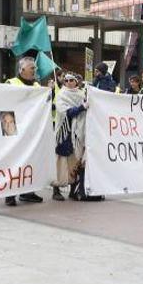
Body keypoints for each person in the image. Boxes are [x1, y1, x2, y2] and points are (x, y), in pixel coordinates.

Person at [3, 57, 45, 207]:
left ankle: (28, 192)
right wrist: (9, 131)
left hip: (30, 130)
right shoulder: (11, 83)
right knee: (13, 161)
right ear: (22, 70)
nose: (35, 70)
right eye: (32, 68)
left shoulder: (37, 86)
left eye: (35, 68)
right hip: (13, 128)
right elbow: (4, 106)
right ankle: (9, 194)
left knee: (30, 160)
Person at [52, 73, 87, 201]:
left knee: (75, 161)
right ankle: (56, 190)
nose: (69, 82)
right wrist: (81, 108)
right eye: (66, 80)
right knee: (60, 162)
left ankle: (73, 190)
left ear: (76, 82)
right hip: (64, 132)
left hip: (78, 132)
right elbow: (65, 112)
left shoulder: (81, 94)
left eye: (72, 80)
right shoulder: (62, 94)